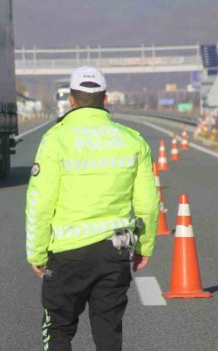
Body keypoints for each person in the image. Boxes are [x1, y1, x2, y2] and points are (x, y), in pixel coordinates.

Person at [25, 66, 159, 351]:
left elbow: (39, 202)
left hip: (66, 254)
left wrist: (36, 251)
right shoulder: (132, 140)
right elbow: (148, 203)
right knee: (108, 332)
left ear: (71, 100)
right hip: (114, 252)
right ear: (105, 99)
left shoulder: (55, 139)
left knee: (59, 329)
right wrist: (144, 246)